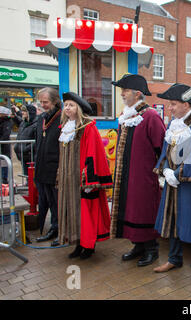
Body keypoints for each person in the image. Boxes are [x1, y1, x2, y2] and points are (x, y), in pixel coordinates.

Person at [153, 83, 191, 287]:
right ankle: (174, 259)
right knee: (173, 221)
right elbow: (165, 149)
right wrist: (165, 170)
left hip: (190, 183)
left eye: (173, 104)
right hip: (172, 180)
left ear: (186, 104)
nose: (169, 108)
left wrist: (178, 174)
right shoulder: (174, 123)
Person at [110, 74, 166, 267]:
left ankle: (152, 248)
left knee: (144, 212)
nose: (122, 94)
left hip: (144, 177)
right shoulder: (127, 116)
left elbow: (162, 148)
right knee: (131, 210)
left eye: (125, 90)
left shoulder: (150, 116)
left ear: (138, 94)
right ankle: (138, 245)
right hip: (127, 176)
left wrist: (158, 173)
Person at [57, 92, 112, 259]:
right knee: (71, 211)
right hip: (68, 179)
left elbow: (93, 154)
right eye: (65, 104)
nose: (67, 108)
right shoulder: (65, 127)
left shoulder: (88, 127)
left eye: (71, 105)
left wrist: (89, 181)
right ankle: (77, 243)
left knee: (85, 212)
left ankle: (88, 245)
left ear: (79, 108)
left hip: (81, 178)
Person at [35, 87, 62, 245]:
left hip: (55, 168)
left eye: (46, 102)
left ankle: (60, 228)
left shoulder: (62, 118)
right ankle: (53, 227)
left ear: (54, 101)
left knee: (57, 202)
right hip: (42, 168)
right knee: (48, 201)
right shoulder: (42, 118)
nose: (43, 105)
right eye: (41, 102)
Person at [13, 104, 37, 177]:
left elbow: (37, 140)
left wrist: (26, 148)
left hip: (30, 154)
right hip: (23, 154)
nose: (22, 112)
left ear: (30, 113)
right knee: (26, 175)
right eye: (22, 111)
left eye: (24, 111)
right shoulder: (24, 123)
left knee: (31, 176)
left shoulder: (36, 124)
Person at [0, 106, 12, 184]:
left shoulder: (7, 122)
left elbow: (6, 134)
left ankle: (4, 179)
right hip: (2, 145)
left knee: (4, 162)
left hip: (4, 146)